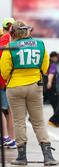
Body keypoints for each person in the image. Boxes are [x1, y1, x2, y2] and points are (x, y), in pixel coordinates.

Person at [0, 20, 58, 165]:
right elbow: (45, 68)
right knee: (38, 122)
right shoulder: (40, 44)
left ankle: (21, 157)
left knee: (19, 122)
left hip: (15, 87)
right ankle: (48, 156)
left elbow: (4, 72)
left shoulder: (9, 47)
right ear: (27, 30)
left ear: (13, 32)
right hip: (35, 86)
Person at [0, 17, 16, 149]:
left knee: (2, 110)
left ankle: (5, 137)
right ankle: (12, 139)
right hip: (15, 81)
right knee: (11, 112)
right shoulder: (17, 41)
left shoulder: (2, 41)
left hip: (2, 81)